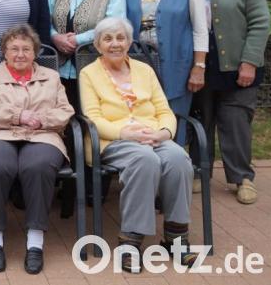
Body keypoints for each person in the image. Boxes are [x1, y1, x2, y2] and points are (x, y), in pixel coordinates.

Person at [79, 17, 197, 273]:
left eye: (120, 38)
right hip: (112, 140)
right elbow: (92, 118)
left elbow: (165, 110)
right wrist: (125, 132)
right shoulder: (89, 73)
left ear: (130, 42)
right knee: (145, 160)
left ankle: (176, 237)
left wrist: (163, 133)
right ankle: (130, 242)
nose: (115, 44)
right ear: (98, 45)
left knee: (179, 159)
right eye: (108, 39)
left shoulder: (145, 70)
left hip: (151, 135)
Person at [0, 24, 74, 274]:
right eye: (13, 48)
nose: (20, 54)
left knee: (37, 166)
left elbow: (65, 111)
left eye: (26, 49)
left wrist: (42, 120)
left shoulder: (52, 77)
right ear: (4, 52)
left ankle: (35, 242)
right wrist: (18, 116)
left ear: (35, 52)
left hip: (43, 135)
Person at [190, 0, 271, 204]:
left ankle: (242, 178)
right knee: (201, 120)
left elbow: (261, 22)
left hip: (238, 66)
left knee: (236, 121)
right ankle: (199, 172)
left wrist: (249, 61)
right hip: (199, 65)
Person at [123, 0, 208, 143]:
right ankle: (146, 168)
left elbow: (200, 26)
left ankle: (174, 169)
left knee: (174, 118)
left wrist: (199, 66)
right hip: (137, 62)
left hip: (177, 62)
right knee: (141, 115)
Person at [48, 0, 126, 107]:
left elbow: (112, 27)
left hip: (94, 70)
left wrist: (76, 40)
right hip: (56, 70)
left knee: (89, 120)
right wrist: (55, 37)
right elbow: (45, 17)